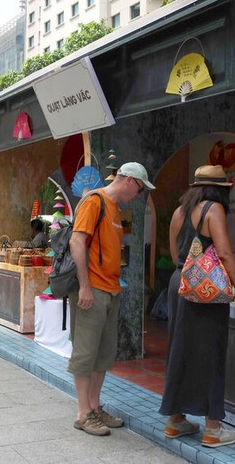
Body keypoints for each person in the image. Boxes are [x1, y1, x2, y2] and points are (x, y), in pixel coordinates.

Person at [160, 164, 235, 448]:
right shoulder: (214, 210)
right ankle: (213, 428)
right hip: (205, 291)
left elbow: (176, 252)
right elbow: (224, 253)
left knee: (180, 348)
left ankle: (175, 420)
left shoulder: (179, 212)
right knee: (211, 352)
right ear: (220, 190)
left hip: (180, 282)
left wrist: (186, 273)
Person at [69, 161, 155, 436]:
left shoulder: (115, 210)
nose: (138, 196)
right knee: (85, 352)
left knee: (104, 355)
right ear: (129, 180)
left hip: (110, 290)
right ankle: (83, 413)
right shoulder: (95, 201)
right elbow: (76, 242)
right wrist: (84, 286)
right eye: (139, 190)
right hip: (92, 289)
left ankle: (95, 407)